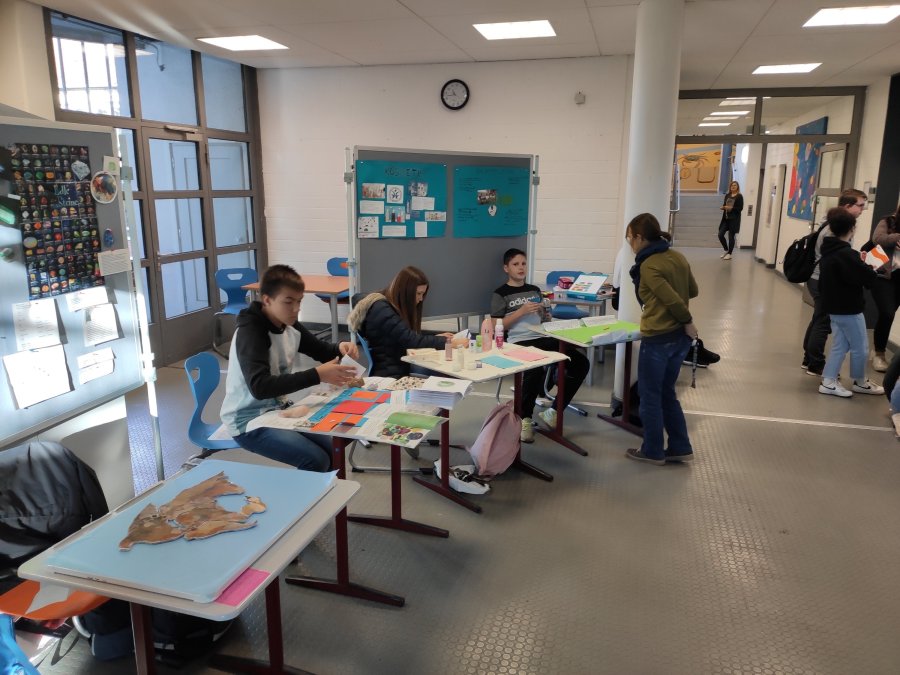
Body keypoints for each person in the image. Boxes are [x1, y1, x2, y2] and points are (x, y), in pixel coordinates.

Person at [220, 264, 360, 471]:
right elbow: (260, 387)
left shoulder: (288, 323)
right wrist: (317, 375)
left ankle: (325, 492)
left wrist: (340, 348)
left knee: (333, 451)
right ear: (267, 300)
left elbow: (320, 350)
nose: (296, 309)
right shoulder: (251, 332)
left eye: (299, 301)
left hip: (279, 409)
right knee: (316, 460)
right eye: (288, 302)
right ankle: (310, 493)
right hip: (247, 420)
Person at [490, 248, 589, 443]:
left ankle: (554, 412)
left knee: (580, 363)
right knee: (534, 369)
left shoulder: (534, 290)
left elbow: (544, 320)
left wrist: (545, 313)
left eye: (523, 264)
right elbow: (496, 325)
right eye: (516, 264)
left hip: (542, 336)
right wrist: (521, 311)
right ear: (506, 268)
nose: (521, 268)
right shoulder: (501, 293)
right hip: (519, 341)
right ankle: (525, 419)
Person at [623, 213, 698, 465]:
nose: (630, 244)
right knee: (667, 393)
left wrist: (688, 320)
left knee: (650, 396)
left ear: (640, 237)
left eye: (630, 238)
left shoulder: (649, 265)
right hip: (679, 340)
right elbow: (693, 290)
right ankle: (680, 446)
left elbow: (672, 300)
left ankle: (653, 450)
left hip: (658, 337)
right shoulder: (676, 256)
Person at [347, 265, 467, 378]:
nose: (421, 299)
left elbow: (403, 334)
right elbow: (411, 340)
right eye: (419, 293)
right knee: (444, 372)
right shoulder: (382, 310)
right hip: (391, 373)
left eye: (423, 294)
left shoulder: (385, 303)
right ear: (405, 291)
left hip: (397, 364)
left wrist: (436, 338)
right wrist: (449, 342)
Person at [817, 208, 884, 398]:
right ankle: (860, 381)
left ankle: (829, 380)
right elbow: (866, 278)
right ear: (851, 229)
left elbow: (848, 273)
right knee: (860, 347)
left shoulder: (830, 250)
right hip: (848, 308)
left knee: (840, 345)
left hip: (834, 307)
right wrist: (868, 267)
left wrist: (859, 263)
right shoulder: (846, 254)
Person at [801, 188, 868, 376]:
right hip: (822, 280)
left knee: (818, 318)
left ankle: (808, 358)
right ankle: (815, 363)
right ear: (847, 206)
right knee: (823, 322)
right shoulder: (834, 229)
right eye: (860, 205)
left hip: (818, 278)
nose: (862, 210)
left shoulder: (831, 224)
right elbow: (836, 258)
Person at [869, 202, 900, 372]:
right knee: (887, 313)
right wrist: (897, 237)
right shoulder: (888, 221)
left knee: (889, 315)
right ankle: (879, 353)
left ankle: (880, 351)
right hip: (884, 276)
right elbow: (877, 239)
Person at [717, 180, 743, 260]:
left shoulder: (739, 196)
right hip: (726, 219)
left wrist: (731, 208)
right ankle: (726, 250)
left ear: (737, 187)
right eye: (732, 185)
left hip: (734, 219)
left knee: (731, 236)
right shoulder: (727, 195)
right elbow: (725, 205)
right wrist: (723, 207)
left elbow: (740, 208)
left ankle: (730, 253)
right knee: (720, 234)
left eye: (735, 185)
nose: (733, 186)